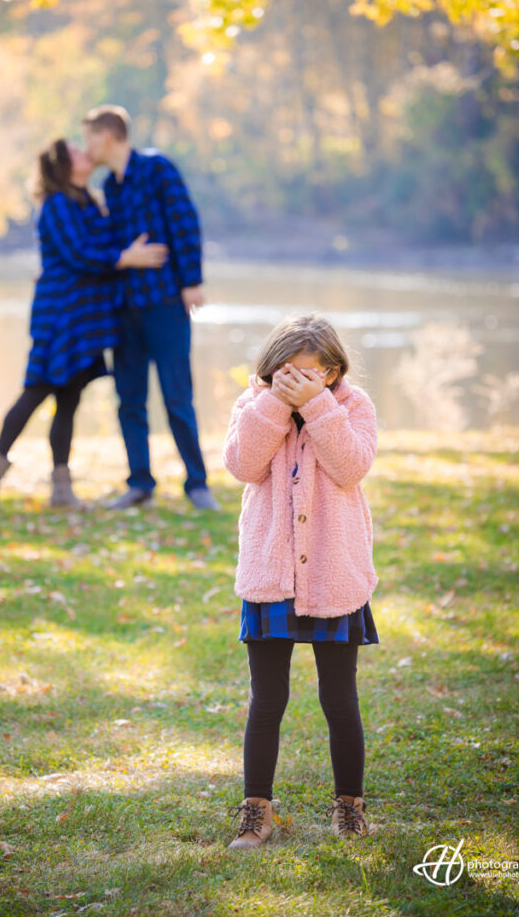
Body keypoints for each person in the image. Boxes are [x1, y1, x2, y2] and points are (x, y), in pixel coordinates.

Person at [222, 313, 380, 847]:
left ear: (332, 372)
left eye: (306, 374)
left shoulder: (352, 407)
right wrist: (275, 404)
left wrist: (316, 407)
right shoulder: (254, 405)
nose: (292, 381)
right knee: (267, 699)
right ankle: (256, 810)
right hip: (272, 575)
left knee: (340, 698)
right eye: (282, 372)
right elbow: (244, 465)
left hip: (335, 574)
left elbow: (351, 466)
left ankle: (350, 808)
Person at [0, 138, 168, 509]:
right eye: (76, 152)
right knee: (37, 388)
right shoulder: (57, 204)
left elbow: (95, 248)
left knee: (69, 398)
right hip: (61, 314)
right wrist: (126, 257)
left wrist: (127, 251)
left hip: (86, 315)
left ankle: (61, 489)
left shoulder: (88, 200)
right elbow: (79, 256)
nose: (85, 154)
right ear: (63, 166)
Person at [82, 104, 219, 511]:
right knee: (129, 399)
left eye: (89, 136)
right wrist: (125, 256)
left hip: (165, 302)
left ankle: (197, 484)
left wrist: (192, 281)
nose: (87, 146)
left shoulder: (157, 168)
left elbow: (184, 221)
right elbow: (110, 243)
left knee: (177, 395)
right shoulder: (110, 186)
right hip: (126, 309)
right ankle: (140, 482)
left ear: (107, 135)